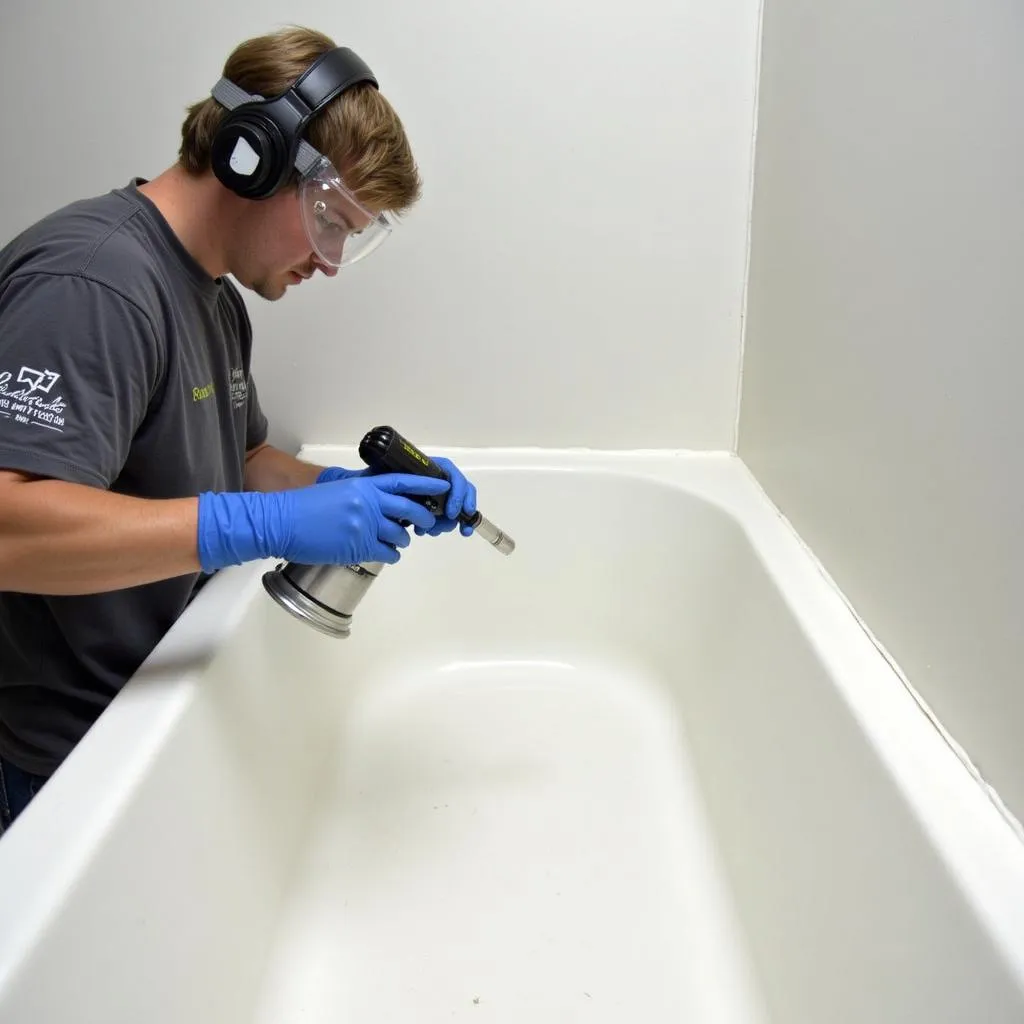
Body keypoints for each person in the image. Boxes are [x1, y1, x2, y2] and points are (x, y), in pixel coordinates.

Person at [0, 26, 478, 833]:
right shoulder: (94, 284)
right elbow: (8, 530)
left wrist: (348, 493)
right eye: (332, 220)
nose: (330, 261)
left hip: (144, 708)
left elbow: (239, 456)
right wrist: (261, 525)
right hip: (59, 761)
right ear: (252, 157)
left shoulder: (212, 296)